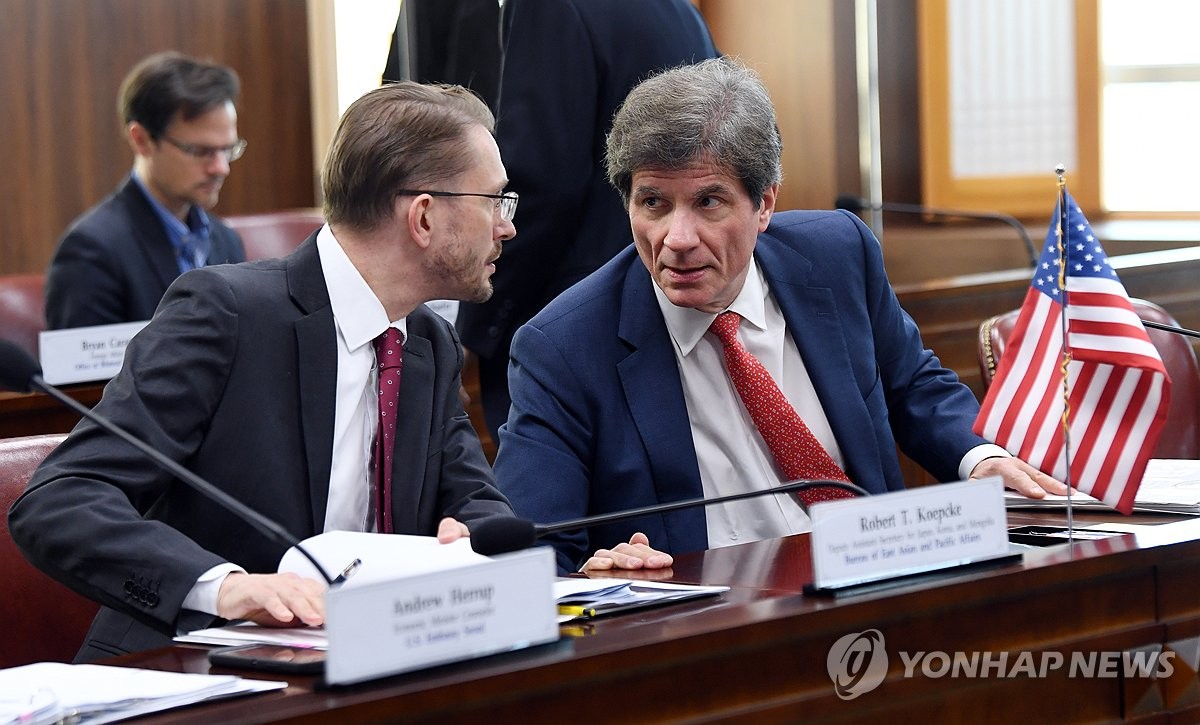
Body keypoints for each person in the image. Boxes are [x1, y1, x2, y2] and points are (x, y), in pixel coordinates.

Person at [493, 58, 1066, 575]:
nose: (677, 238)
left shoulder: (836, 254)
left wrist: (979, 459)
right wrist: (606, 565)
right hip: (714, 636)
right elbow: (535, 550)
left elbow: (912, 384)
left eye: (708, 202)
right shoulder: (564, 347)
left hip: (882, 579)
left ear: (765, 203)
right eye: (653, 204)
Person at [10, 81, 517, 660]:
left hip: (366, 664)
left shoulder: (429, 343)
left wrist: (474, 539)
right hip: (190, 670)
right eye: (495, 201)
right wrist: (226, 586)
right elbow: (61, 500)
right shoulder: (226, 314)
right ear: (423, 216)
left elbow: (475, 499)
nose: (507, 226)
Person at [456, 0, 719, 440]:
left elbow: (538, 184)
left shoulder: (552, 7)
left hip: (567, 327)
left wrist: (476, 324)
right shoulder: (678, 9)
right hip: (671, 307)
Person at [45, 51, 247, 329]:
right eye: (201, 151)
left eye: (227, 149)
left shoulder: (227, 241)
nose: (221, 168)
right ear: (141, 140)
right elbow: (89, 373)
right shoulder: (91, 252)